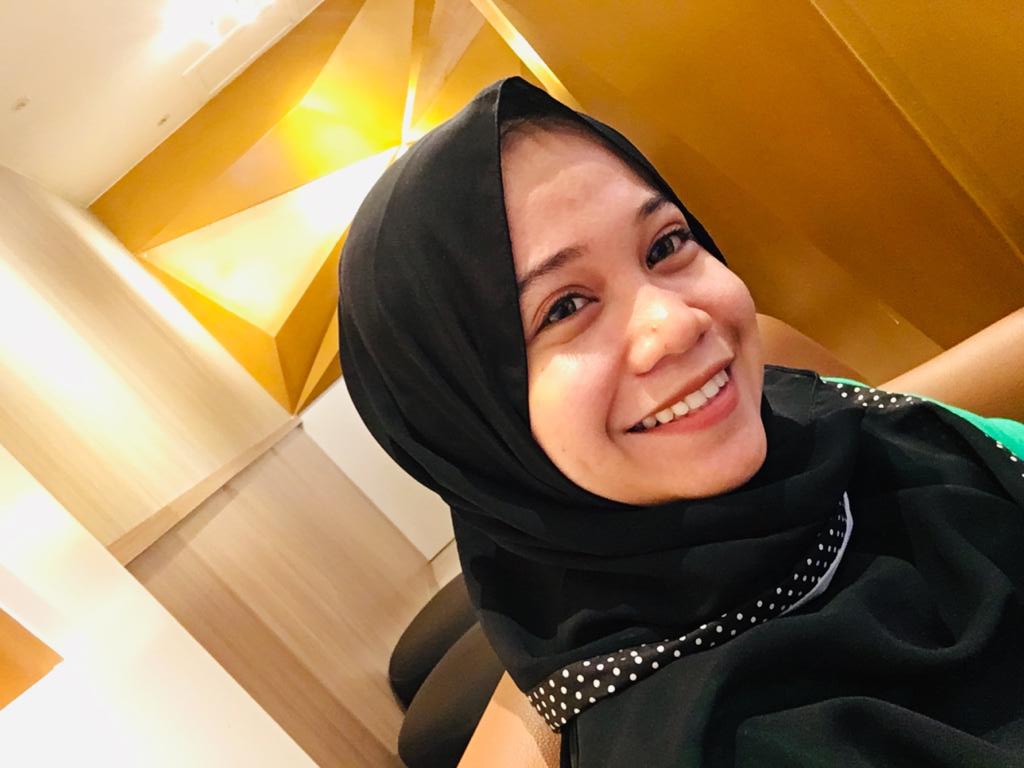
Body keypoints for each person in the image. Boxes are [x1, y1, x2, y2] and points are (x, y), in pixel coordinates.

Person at [337, 76, 1024, 767]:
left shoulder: (790, 408)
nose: (676, 323)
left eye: (664, 245)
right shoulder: (709, 740)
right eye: (564, 308)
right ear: (471, 428)